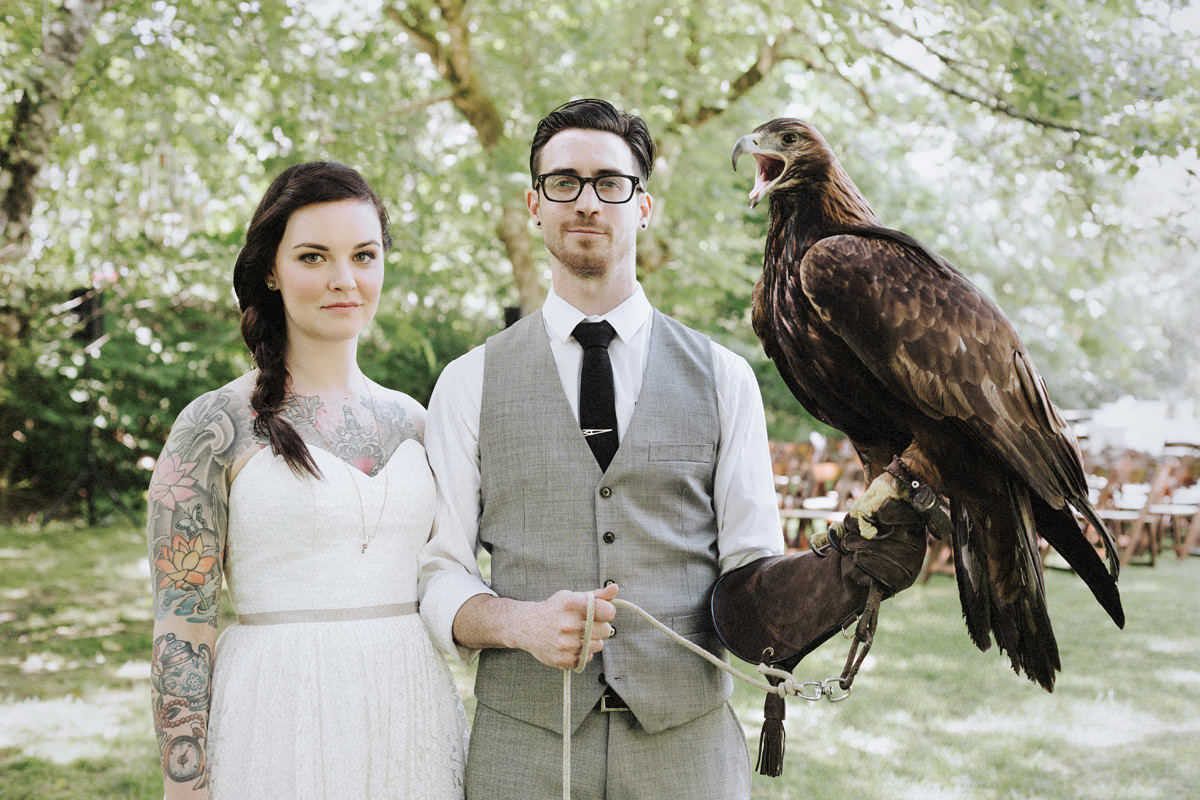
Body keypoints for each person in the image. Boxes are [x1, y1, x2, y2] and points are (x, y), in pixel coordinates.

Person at [418, 98, 785, 798]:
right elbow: (437, 576)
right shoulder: (469, 383)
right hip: (523, 752)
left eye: (610, 183)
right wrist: (518, 623)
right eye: (564, 182)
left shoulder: (725, 378)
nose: (587, 202)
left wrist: (829, 581)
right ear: (534, 203)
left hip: (689, 751)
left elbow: (753, 567)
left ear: (642, 206)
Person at [147, 162, 466, 799]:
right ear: (272, 269)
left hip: (412, 709)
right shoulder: (213, 426)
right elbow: (181, 630)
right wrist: (186, 786)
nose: (343, 280)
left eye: (364, 255)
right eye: (314, 256)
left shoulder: (421, 422)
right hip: (276, 715)